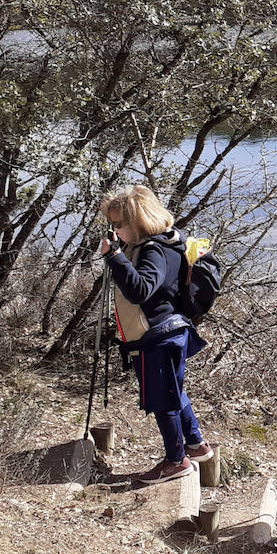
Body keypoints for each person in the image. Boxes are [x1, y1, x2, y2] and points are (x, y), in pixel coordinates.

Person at [98, 185, 212, 484]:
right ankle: (196, 444)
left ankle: (176, 461)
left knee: (163, 401)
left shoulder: (152, 250)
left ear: (137, 221)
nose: (115, 230)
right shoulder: (169, 242)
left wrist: (115, 256)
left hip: (158, 336)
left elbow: (140, 290)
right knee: (174, 391)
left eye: (118, 224)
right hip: (171, 330)